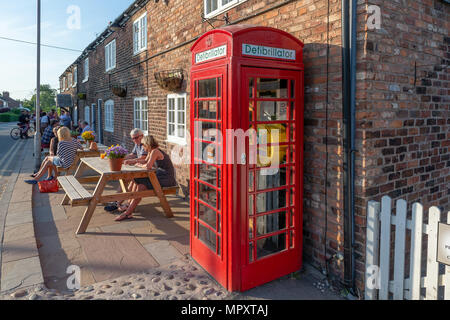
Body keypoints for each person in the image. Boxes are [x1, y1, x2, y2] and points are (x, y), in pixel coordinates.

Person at [114, 135, 176, 221]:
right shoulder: (152, 151)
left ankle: (127, 211)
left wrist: (139, 165)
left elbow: (148, 166)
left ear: (147, 144)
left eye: (143, 145)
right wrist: (132, 161)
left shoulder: (155, 151)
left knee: (140, 185)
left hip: (166, 179)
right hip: (159, 176)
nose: (142, 147)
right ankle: (128, 211)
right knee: (139, 184)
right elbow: (145, 160)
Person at [104, 128, 149, 212]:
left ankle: (122, 202)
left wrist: (131, 161)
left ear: (142, 136)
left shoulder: (145, 144)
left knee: (131, 180)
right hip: (140, 169)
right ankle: (117, 200)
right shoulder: (137, 144)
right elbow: (133, 154)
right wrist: (120, 158)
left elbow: (144, 158)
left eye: (136, 138)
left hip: (146, 171)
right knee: (125, 180)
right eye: (132, 138)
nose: (134, 140)